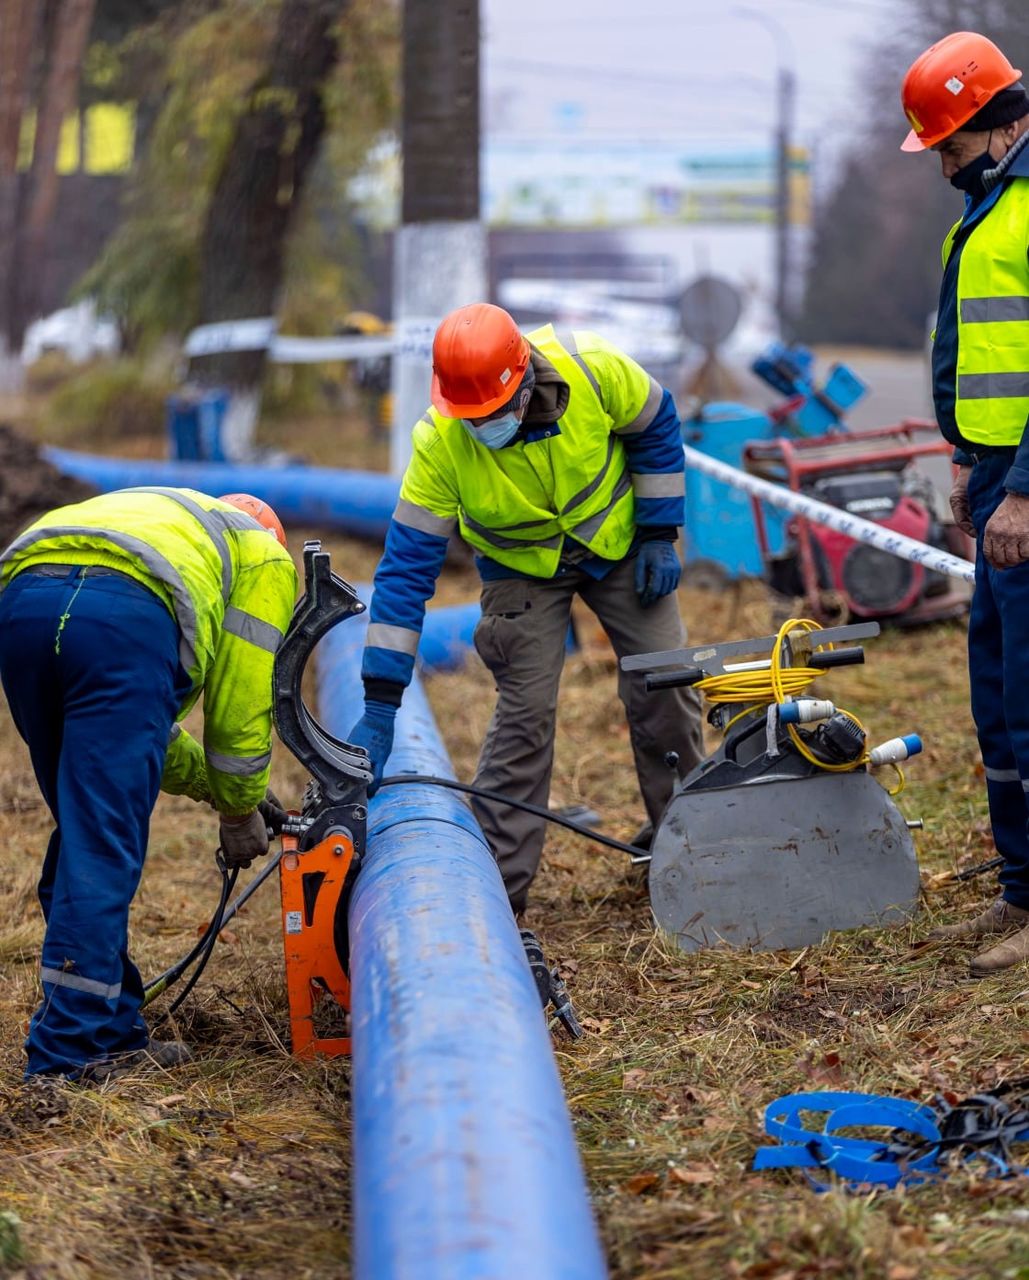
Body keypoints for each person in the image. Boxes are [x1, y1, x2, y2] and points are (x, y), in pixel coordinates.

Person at [347, 303, 704, 915]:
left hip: (621, 550)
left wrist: (657, 532)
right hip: (521, 573)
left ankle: (691, 849)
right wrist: (381, 703)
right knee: (525, 714)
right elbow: (405, 573)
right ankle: (497, 892)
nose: (480, 425)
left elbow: (656, 421)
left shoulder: (592, 369)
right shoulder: (440, 444)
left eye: (490, 413)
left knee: (666, 682)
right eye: (470, 416)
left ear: (525, 381)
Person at [0, 488, 297, 1078]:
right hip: (120, 621)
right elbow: (238, 718)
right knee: (100, 847)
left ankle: (107, 1027)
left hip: (24, 602)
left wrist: (221, 793)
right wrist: (238, 813)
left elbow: (151, 737)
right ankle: (68, 1054)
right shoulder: (264, 558)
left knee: (85, 833)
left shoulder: (173, 522)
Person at [901, 31, 1029, 974]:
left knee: (1028, 697)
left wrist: (1021, 489)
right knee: (996, 694)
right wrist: (963, 463)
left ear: (993, 125)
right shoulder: (988, 208)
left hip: (1024, 484)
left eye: (946, 146)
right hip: (992, 476)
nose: (941, 164)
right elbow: (979, 359)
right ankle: (1018, 889)